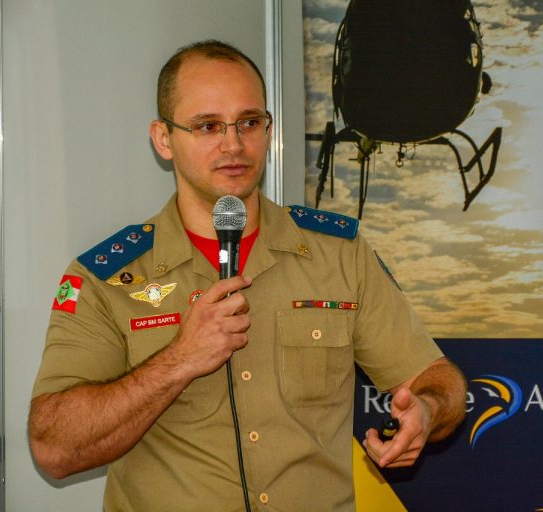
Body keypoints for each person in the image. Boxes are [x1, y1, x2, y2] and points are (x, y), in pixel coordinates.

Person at [28, 40, 467, 512]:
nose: (233, 144)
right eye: (208, 126)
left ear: (268, 131)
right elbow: (54, 447)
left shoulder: (339, 254)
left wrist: (426, 409)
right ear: (163, 138)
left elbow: (441, 382)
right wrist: (181, 359)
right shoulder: (106, 278)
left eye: (249, 123)